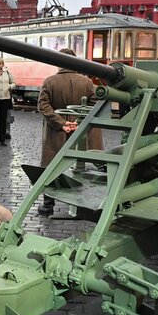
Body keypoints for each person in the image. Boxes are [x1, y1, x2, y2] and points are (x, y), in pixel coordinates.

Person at [36, 48, 102, 216]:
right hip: (82, 129)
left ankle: (48, 205)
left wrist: (62, 123)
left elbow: (43, 105)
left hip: (56, 130)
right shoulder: (87, 82)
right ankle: (83, 202)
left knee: (51, 166)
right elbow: (97, 104)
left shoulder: (49, 81)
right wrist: (80, 122)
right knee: (83, 164)